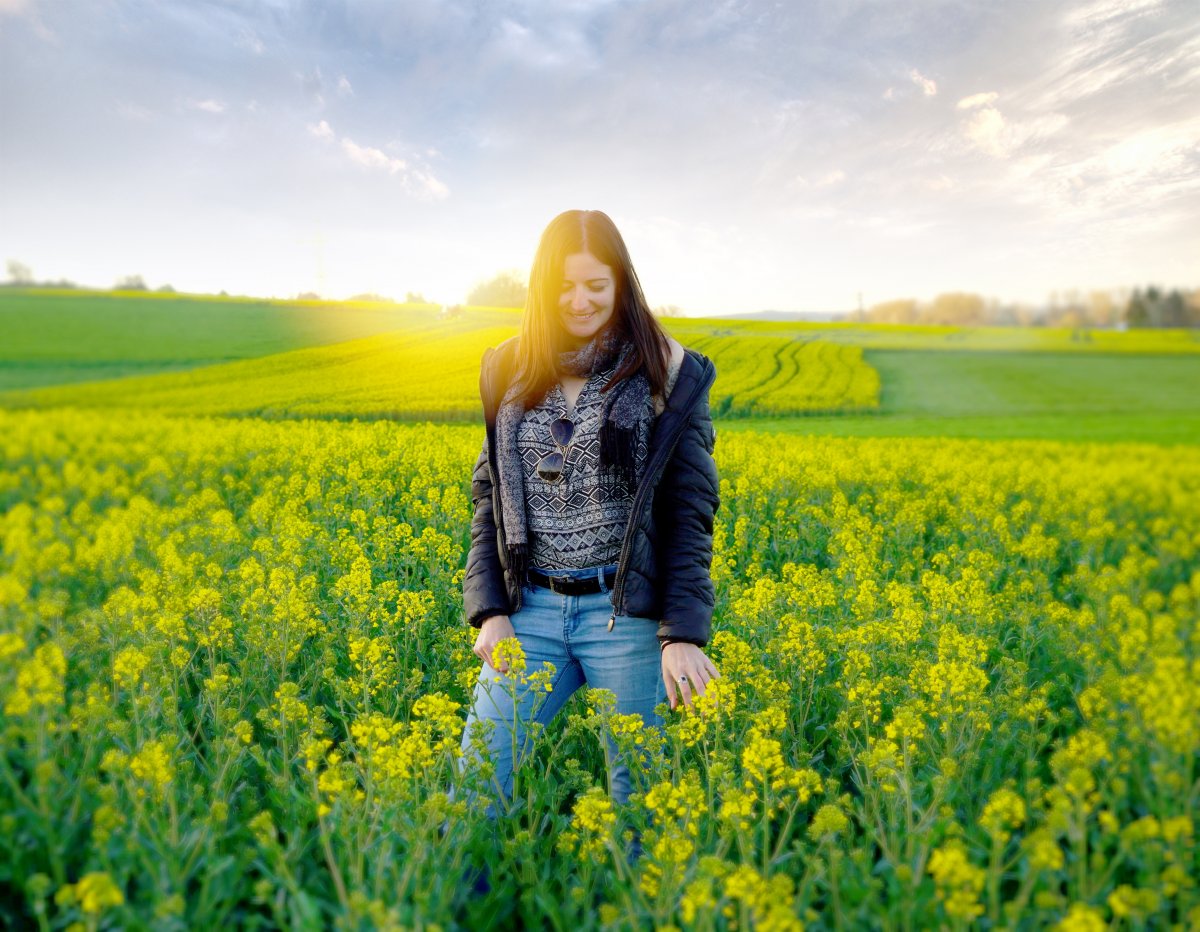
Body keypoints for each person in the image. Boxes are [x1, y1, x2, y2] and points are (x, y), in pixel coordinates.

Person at [456, 208, 721, 874]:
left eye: (596, 287)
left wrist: (682, 633)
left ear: (621, 286)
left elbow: (691, 510)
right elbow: (489, 496)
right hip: (532, 614)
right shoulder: (506, 369)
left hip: (624, 618)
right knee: (474, 799)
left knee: (643, 817)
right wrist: (489, 610)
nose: (579, 302)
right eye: (565, 287)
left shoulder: (667, 374)